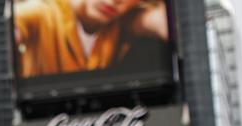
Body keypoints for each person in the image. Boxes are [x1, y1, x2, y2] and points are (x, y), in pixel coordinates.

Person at [11, 0, 168, 79]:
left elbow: (165, 23)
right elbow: (15, 22)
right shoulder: (41, 11)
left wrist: (143, 19)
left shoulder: (121, 22)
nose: (113, 0)